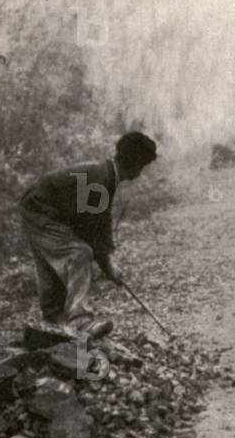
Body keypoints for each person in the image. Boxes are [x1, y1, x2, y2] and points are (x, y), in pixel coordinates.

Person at [19, 131, 158, 334]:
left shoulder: (105, 174)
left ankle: (53, 319)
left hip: (39, 207)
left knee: (56, 257)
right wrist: (107, 264)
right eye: (143, 166)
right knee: (79, 252)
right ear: (136, 164)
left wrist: (107, 258)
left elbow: (101, 220)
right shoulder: (100, 179)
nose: (141, 171)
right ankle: (79, 320)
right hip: (40, 209)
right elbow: (89, 230)